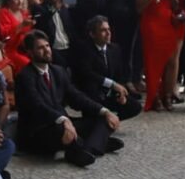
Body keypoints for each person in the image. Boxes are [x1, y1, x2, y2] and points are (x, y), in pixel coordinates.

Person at [14, 31, 121, 167]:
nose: (46, 50)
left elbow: (76, 96)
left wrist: (104, 111)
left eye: (47, 46)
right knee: (62, 130)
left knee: (102, 119)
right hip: (39, 129)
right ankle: (95, 143)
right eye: (40, 48)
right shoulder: (25, 76)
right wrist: (63, 119)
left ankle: (86, 148)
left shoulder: (58, 71)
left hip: (62, 123)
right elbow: (37, 105)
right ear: (29, 52)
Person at [135, 0, 182, 111]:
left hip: (167, 23)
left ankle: (167, 95)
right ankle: (154, 96)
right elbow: (139, 8)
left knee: (170, 61)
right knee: (153, 61)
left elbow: (176, 6)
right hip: (151, 24)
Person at [70, 16, 142, 120]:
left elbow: (119, 75)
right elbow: (87, 73)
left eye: (108, 29)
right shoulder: (84, 49)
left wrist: (120, 92)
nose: (108, 33)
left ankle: (110, 121)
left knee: (135, 106)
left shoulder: (115, 49)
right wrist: (112, 84)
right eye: (103, 30)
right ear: (92, 34)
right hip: (93, 94)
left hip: (110, 94)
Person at [32, 0, 75, 67]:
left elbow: (78, 0)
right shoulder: (39, 8)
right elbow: (43, 21)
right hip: (54, 49)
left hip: (69, 46)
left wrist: (66, 0)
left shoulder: (63, 6)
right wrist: (54, 8)